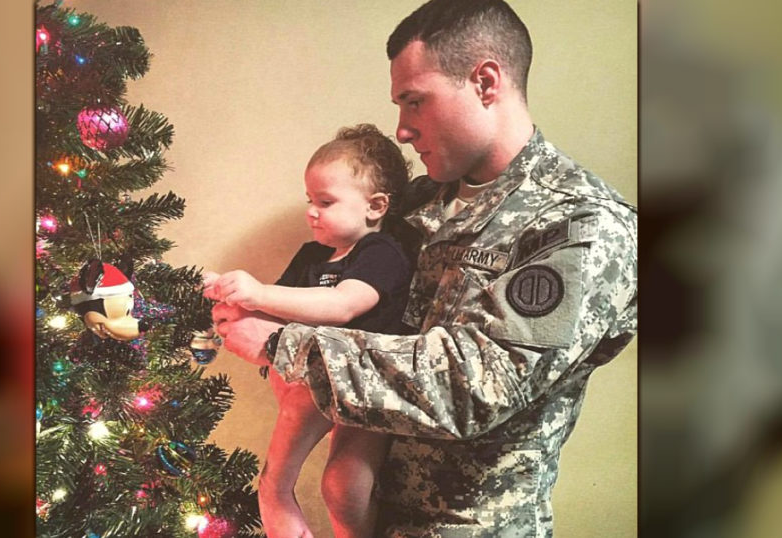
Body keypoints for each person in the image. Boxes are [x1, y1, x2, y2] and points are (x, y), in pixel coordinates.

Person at [212, 0, 637, 535]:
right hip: (367, 514)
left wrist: (283, 344)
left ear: (485, 82)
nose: (402, 130)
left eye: (415, 102)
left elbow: (476, 385)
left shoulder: (581, 224)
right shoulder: (409, 203)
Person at [204, 124, 415, 538]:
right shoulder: (311, 255)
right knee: (309, 412)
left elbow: (343, 305)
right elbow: (277, 313)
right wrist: (233, 296)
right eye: (309, 200)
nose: (311, 212)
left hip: (367, 395)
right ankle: (278, 490)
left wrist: (258, 292)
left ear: (375, 206)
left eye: (326, 201)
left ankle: (277, 488)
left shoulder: (382, 252)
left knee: (346, 487)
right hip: (313, 387)